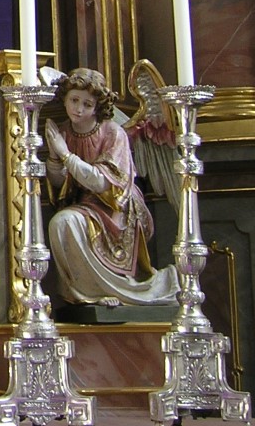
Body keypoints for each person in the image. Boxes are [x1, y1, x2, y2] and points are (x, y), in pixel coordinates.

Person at [43, 68, 177, 306]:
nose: (78, 109)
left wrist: (64, 154)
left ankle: (117, 289)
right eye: (74, 100)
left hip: (117, 206)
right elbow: (59, 184)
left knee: (67, 221)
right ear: (65, 99)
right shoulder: (64, 132)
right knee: (60, 223)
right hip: (84, 205)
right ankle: (89, 293)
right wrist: (54, 157)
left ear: (97, 107)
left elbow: (102, 182)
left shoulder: (113, 133)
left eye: (87, 104)